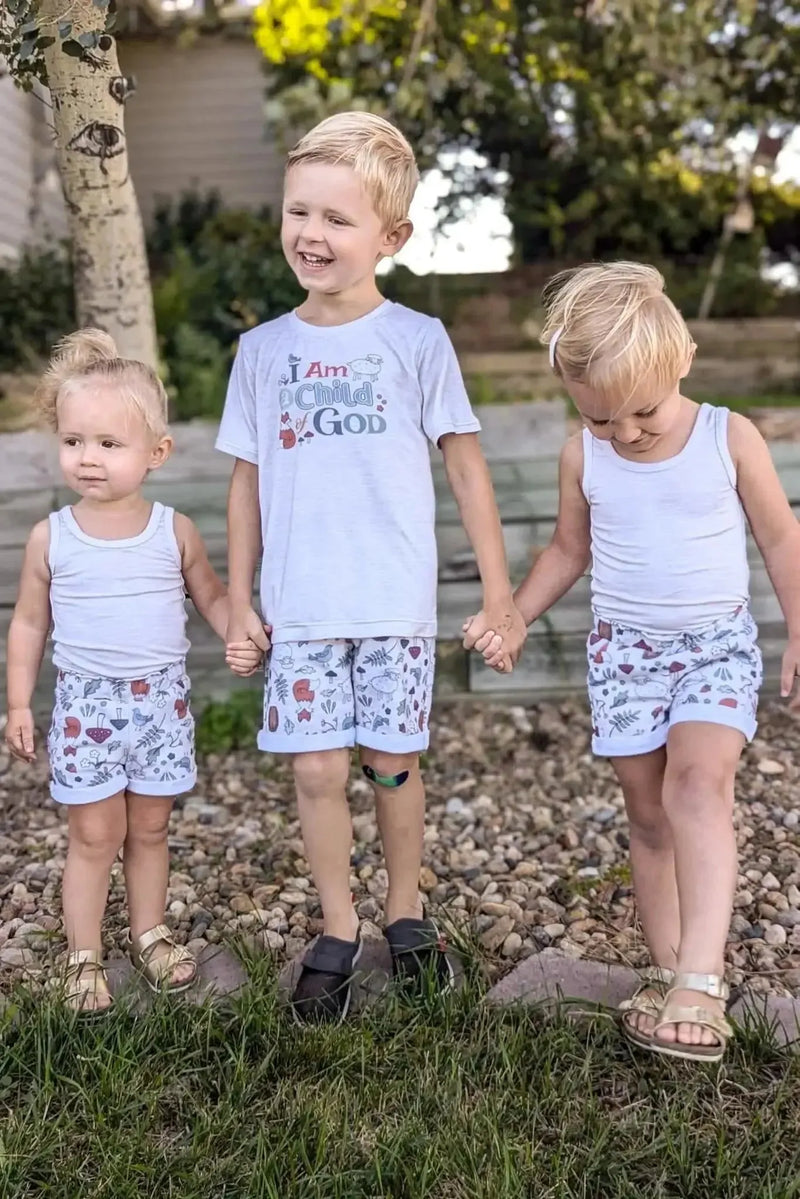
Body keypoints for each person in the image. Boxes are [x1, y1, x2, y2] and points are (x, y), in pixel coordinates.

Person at [218, 111, 527, 1023]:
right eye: (298, 212)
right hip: (301, 607)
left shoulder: (418, 340)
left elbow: (466, 468)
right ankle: (338, 926)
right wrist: (238, 600)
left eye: (336, 219)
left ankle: (404, 913)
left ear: (391, 236)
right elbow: (246, 485)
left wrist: (500, 593)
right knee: (317, 771)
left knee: (392, 764)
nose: (310, 235)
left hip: (392, 604)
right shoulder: (262, 351)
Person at [468, 261, 800, 1061]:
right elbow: (567, 550)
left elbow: (781, 536)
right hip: (624, 658)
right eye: (599, 416)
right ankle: (665, 967)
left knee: (697, 786)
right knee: (649, 818)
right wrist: (513, 614)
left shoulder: (728, 437)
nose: (624, 433)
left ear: (682, 358)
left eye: (642, 411)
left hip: (714, 648)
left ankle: (702, 978)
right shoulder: (583, 457)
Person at [4, 329, 263, 1014]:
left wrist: (239, 629)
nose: (87, 457)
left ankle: (150, 934)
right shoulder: (52, 537)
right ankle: (83, 955)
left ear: (157, 453)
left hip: (160, 708)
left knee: (149, 830)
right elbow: (28, 624)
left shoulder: (173, 531)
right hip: (86, 708)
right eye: (74, 441)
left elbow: (212, 596)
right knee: (94, 836)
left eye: (108, 444)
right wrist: (19, 703)